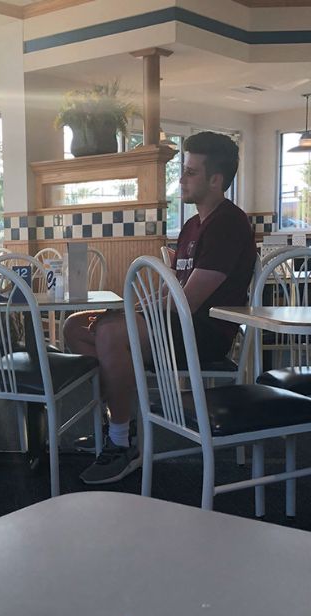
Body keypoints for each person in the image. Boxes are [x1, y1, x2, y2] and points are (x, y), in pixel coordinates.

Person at [64, 131, 257, 485]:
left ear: (216, 181)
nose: (181, 179)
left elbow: (189, 301)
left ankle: (121, 442)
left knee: (111, 333)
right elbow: (173, 291)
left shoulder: (228, 223)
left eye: (190, 172)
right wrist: (133, 310)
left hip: (204, 334)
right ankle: (123, 420)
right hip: (176, 325)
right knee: (75, 327)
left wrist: (128, 317)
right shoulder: (192, 225)